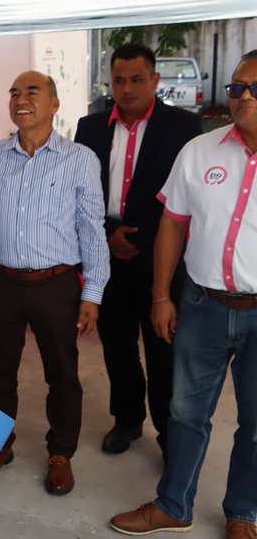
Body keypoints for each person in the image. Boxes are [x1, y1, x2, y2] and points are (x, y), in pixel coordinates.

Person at [110, 51, 257, 539]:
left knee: (255, 423)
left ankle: (243, 514)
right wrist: (160, 296)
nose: (244, 97)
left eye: (255, 88)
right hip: (202, 305)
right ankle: (174, 504)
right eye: (237, 88)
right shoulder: (201, 150)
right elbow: (173, 223)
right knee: (185, 412)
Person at [0, 70, 109, 496]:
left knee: (62, 373)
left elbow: (91, 228)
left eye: (32, 91)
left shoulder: (79, 159)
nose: (20, 98)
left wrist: (92, 292)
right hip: (0, 283)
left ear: (55, 105)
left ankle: (61, 453)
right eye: (14, 92)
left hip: (57, 284)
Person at [75, 43, 203, 457]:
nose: (126, 88)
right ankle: (127, 420)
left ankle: (168, 434)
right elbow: (84, 193)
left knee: (164, 351)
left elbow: (186, 194)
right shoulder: (90, 128)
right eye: (118, 80)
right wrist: (109, 235)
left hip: (160, 260)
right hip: (107, 256)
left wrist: (139, 237)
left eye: (135, 79)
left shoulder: (183, 127)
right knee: (117, 346)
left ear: (154, 80)